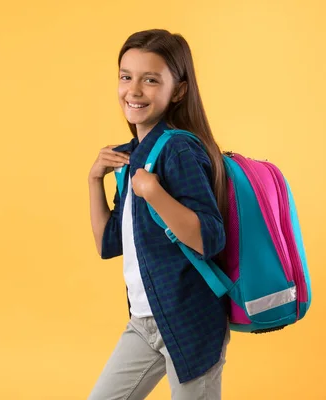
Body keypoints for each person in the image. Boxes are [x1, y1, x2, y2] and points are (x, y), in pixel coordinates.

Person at [87, 29, 231, 400]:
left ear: (178, 91)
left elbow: (210, 238)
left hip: (189, 321)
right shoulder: (132, 156)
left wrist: (153, 192)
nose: (133, 90)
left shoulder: (179, 149)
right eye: (126, 76)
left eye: (150, 80)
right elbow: (109, 244)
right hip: (144, 322)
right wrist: (93, 181)